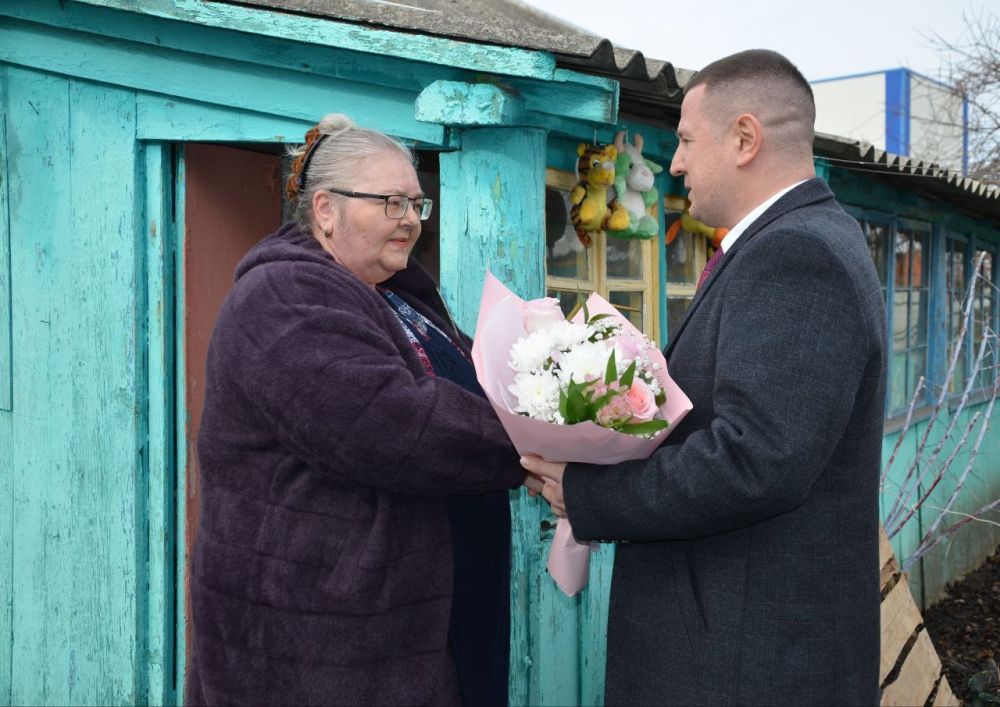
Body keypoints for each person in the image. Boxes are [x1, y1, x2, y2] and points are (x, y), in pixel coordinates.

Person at [522, 49, 887, 705]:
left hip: (743, 665)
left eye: (687, 139)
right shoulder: (796, 240)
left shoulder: (795, 252)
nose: (677, 161)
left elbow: (758, 459)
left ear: (745, 137)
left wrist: (592, 492)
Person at [186, 114, 536, 706]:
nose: (411, 220)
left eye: (417, 203)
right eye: (391, 202)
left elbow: (474, 390)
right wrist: (538, 447)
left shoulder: (391, 294)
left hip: (402, 625)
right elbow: (391, 425)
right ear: (325, 209)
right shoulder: (283, 297)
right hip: (323, 640)